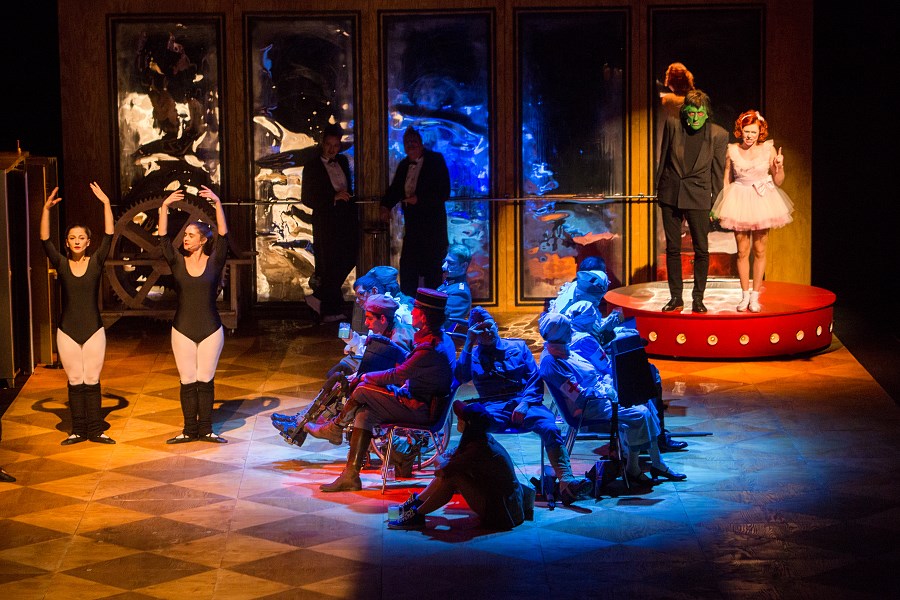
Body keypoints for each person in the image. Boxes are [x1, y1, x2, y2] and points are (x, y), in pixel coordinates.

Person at [306, 288, 456, 492]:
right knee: (364, 414)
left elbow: (398, 374)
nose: (412, 312)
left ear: (424, 316)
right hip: (419, 401)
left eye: (416, 310)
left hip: (418, 407)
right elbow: (411, 361)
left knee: (361, 389)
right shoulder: (440, 339)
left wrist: (365, 376)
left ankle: (335, 428)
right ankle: (350, 476)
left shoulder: (430, 347)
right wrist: (386, 343)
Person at [455, 307, 591, 504]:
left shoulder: (518, 347)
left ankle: (567, 483)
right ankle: (468, 478)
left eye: (489, 326)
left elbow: (535, 379)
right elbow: (461, 376)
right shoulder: (472, 355)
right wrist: (468, 343)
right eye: (480, 330)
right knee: (474, 425)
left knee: (550, 426)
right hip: (494, 408)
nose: (487, 331)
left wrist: (525, 403)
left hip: (525, 403)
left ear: (496, 325)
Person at [538, 313, 686, 484]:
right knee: (640, 413)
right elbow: (580, 396)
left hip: (600, 395)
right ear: (559, 334)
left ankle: (658, 463)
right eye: (567, 329)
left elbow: (592, 376)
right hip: (591, 406)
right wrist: (607, 391)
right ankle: (633, 468)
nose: (571, 331)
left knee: (643, 398)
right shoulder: (553, 363)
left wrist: (609, 384)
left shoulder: (564, 350)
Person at [40, 183, 116, 445]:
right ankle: (78, 430)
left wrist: (106, 203)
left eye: (81, 237)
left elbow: (109, 235)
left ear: (88, 242)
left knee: (92, 380)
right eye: (72, 238)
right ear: (67, 242)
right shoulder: (61, 264)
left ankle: (95, 430)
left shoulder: (95, 262)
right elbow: (44, 241)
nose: (76, 241)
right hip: (67, 332)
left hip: (93, 330)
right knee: (74, 380)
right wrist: (46, 210)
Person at [270, 293, 416, 429]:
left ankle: (307, 424)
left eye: (369, 318)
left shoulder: (398, 339)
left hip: (399, 392)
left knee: (345, 384)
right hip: (383, 378)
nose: (366, 323)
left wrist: (361, 376)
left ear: (382, 319)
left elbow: (397, 375)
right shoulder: (387, 328)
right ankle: (301, 419)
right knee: (338, 373)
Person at [563, 300, 687, 452]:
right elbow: (606, 366)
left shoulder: (569, 337)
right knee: (650, 376)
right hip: (600, 390)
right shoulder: (584, 339)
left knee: (644, 373)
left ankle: (649, 438)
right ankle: (656, 439)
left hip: (595, 385)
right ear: (588, 319)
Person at [158, 185, 230, 444]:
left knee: (205, 380)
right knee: (188, 381)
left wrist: (218, 204)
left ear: (203, 240)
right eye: (185, 235)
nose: (185, 239)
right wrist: (164, 207)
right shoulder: (177, 262)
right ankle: (189, 429)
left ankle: (206, 429)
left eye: (190, 235)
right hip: (182, 330)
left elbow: (224, 236)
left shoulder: (214, 262)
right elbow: (163, 239)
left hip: (211, 330)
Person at [387, 400, 527, 530]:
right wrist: (443, 461)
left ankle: (417, 515)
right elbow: (448, 457)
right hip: (503, 506)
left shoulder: (478, 449)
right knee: (450, 471)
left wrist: (441, 461)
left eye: (460, 419)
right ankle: (417, 502)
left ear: (468, 424)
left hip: (504, 514)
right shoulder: (479, 439)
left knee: (452, 477)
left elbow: (441, 470)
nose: (458, 421)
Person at [711, 110, 793, 312]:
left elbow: (778, 181)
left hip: (762, 199)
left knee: (760, 249)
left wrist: (779, 166)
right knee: (742, 251)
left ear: (760, 132)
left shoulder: (768, 150)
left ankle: (755, 297)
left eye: (753, 132)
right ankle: (744, 295)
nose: (749, 136)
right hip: (739, 198)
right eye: (746, 131)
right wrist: (725, 204)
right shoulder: (732, 150)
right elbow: (726, 179)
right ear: (741, 130)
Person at [656, 89, 728, 314]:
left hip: (698, 195)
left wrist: (717, 204)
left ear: (706, 113)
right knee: (673, 249)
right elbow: (663, 159)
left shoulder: (718, 135)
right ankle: (676, 297)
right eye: (691, 113)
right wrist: (659, 190)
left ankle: (698, 298)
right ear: (685, 111)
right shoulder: (672, 126)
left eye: (700, 113)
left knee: (701, 249)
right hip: (671, 193)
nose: (695, 118)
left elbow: (717, 173)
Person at [380, 127, 451, 297]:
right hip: (412, 228)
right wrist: (385, 206)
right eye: (407, 142)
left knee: (433, 273)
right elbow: (395, 189)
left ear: (421, 143)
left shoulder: (435, 160)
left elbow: (444, 192)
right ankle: (409, 309)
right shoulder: (404, 164)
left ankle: (434, 310)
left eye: (414, 141)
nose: (411, 145)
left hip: (433, 228)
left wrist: (419, 199)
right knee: (408, 271)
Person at [302, 124, 357, 321]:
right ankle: (330, 311)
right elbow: (307, 198)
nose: (332, 149)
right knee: (329, 264)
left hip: (346, 218)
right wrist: (333, 198)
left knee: (350, 257)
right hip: (325, 221)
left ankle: (318, 298)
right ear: (322, 144)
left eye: (336, 145)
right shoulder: (312, 166)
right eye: (328, 145)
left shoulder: (342, 161)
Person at [437, 244, 472, 329]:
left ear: (463, 266)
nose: (443, 267)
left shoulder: (460, 293)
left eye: (451, 263)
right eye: (444, 261)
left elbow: (445, 324)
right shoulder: (448, 285)